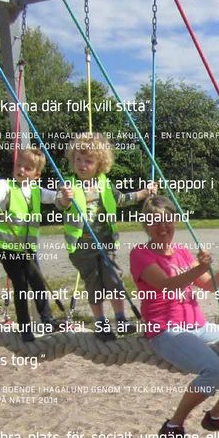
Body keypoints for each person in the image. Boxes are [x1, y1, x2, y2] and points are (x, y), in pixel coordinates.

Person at [129, 196, 219, 438]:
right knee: (214, 371)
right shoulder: (140, 254)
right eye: (155, 223)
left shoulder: (183, 253)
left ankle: (216, 415)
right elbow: (167, 285)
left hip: (196, 326)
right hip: (165, 329)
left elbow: (210, 285)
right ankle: (174, 424)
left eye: (168, 221)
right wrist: (199, 268)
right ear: (146, 225)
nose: (163, 228)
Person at [57, 132, 155, 341]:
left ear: (99, 164)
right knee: (94, 284)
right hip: (82, 248)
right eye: (78, 160)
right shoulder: (69, 185)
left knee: (113, 279)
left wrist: (144, 193)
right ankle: (101, 322)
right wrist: (66, 199)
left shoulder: (104, 184)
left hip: (106, 243)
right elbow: (60, 204)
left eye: (88, 161)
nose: (82, 165)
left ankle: (121, 318)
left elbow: (121, 199)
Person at [0, 147, 60, 342]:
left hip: (27, 248)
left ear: (36, 174)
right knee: (21, 285)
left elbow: (54, 197)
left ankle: (47, 319)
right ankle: (25, 327)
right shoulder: (5, 185)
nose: (22, 170)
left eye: (28, 167)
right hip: (8, 247)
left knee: (38, 282)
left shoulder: (35, 190)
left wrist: (66, 195)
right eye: (19, 165)